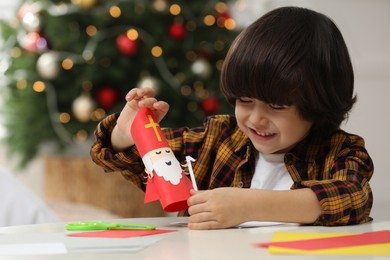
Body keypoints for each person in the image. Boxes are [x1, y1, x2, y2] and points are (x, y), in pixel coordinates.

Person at [90, 6, 374, 230]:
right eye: (245, 101)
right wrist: (127, 132)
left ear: (317, 102)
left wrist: (248, 205)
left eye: (276, 106)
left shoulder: (340, 151)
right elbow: (141, 159)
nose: (256, 119)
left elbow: (353, 196)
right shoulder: (218, 138)